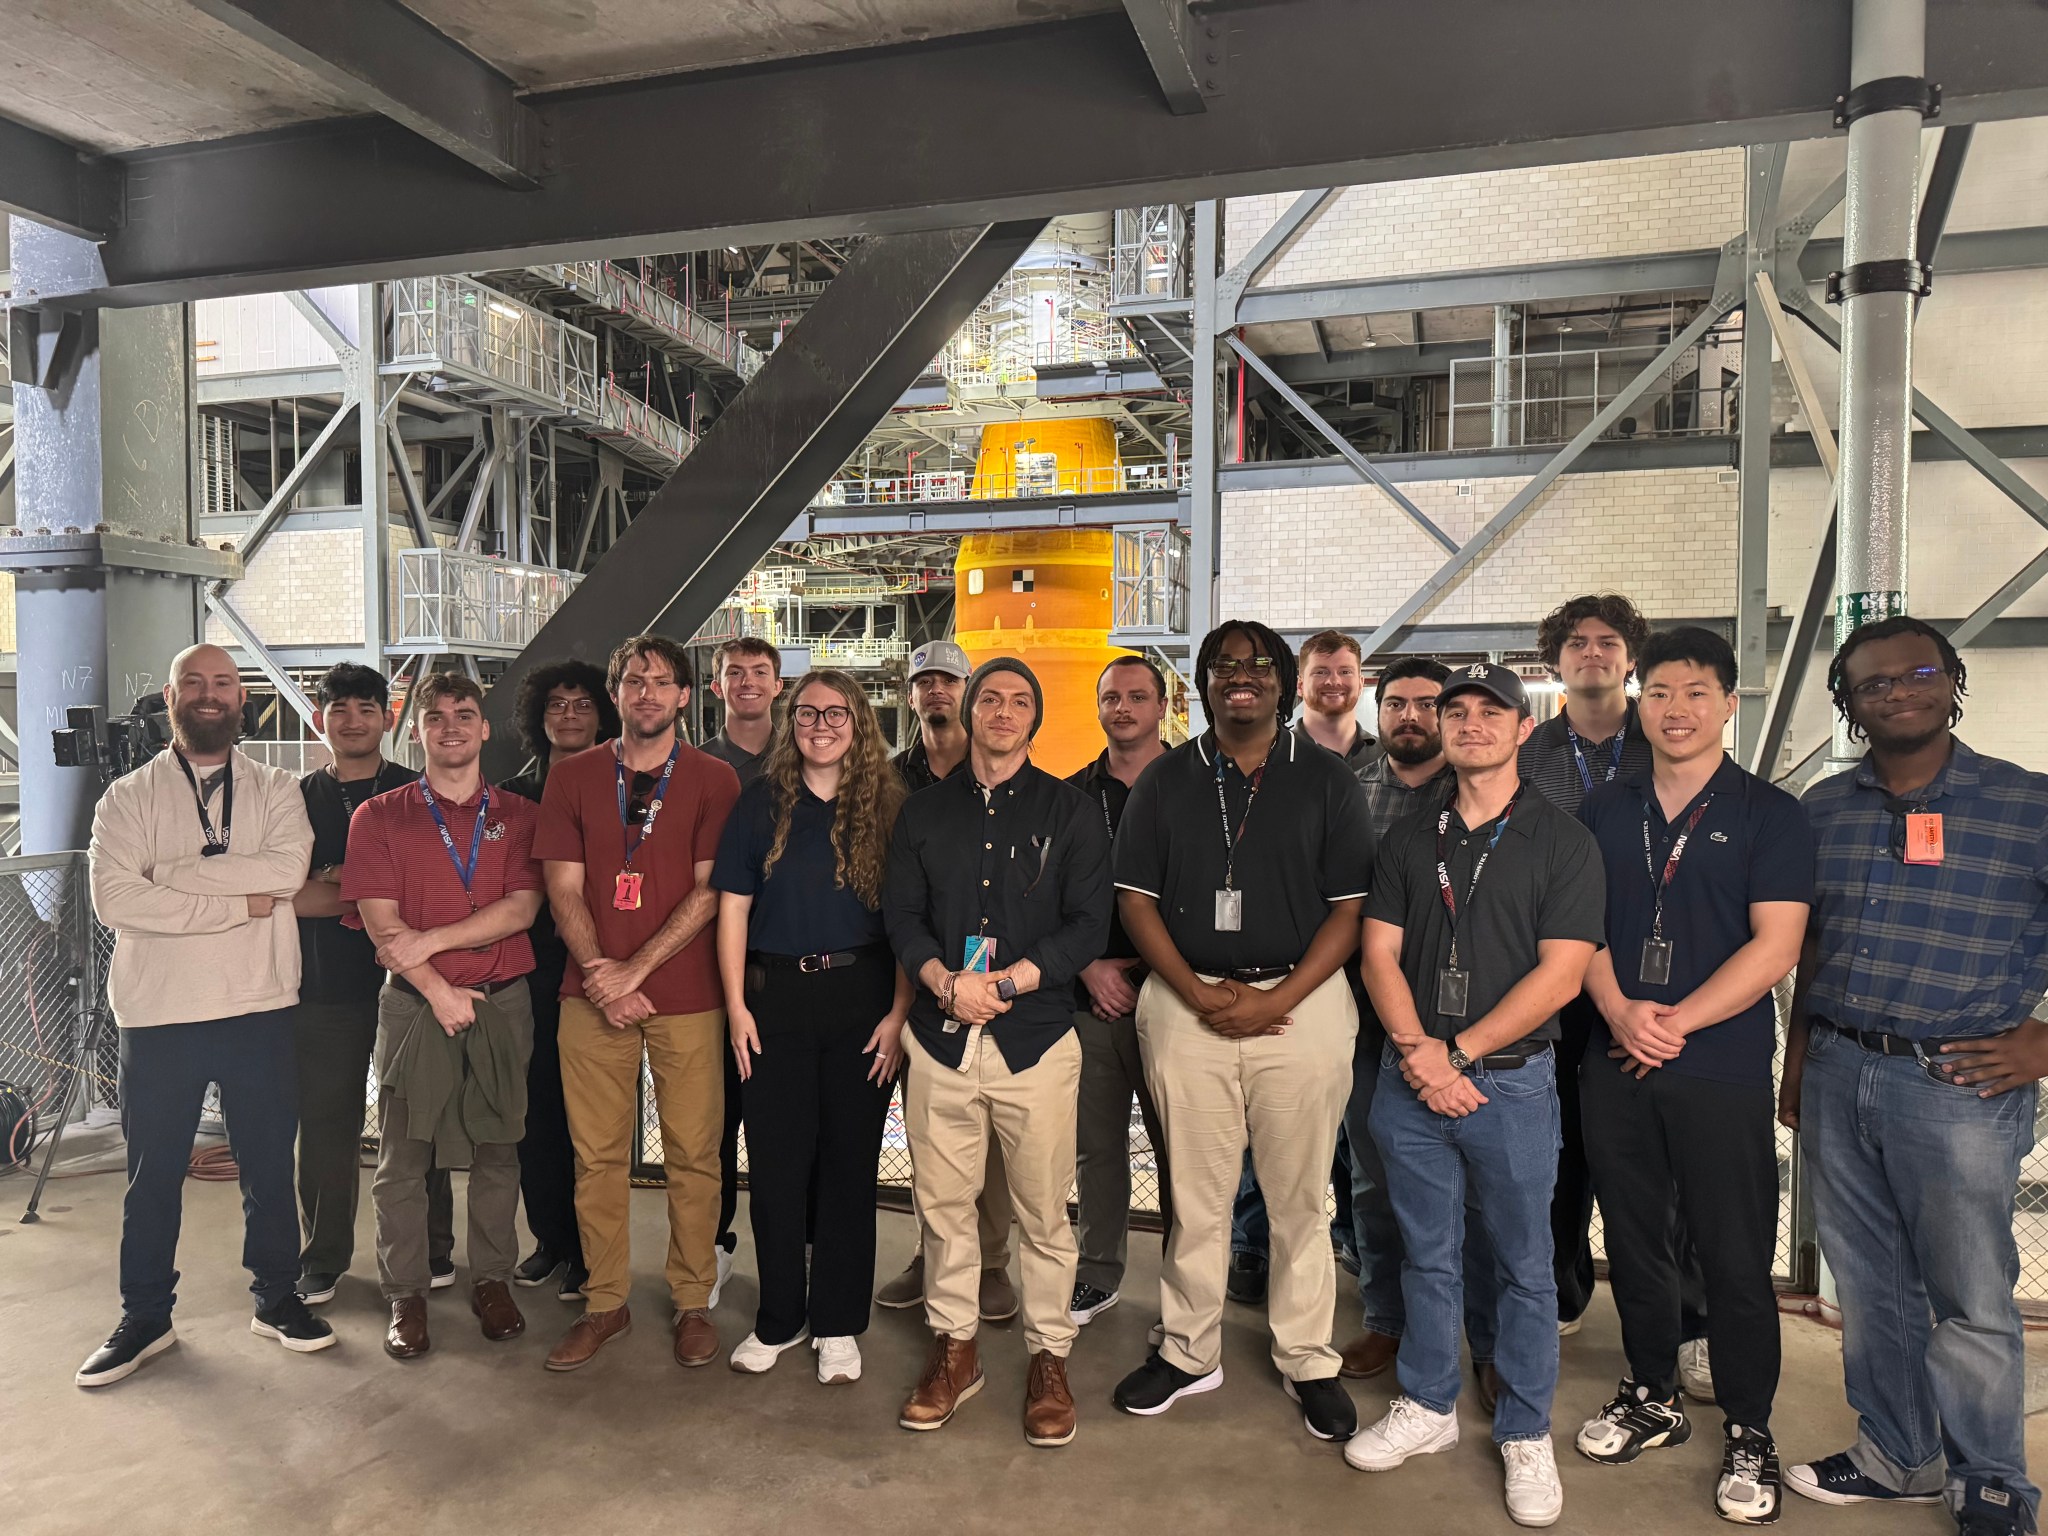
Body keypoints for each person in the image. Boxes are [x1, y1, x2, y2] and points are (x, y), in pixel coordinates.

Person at [1779, 617, 2048, 1536]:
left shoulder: (2026, 804)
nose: (1898, 692)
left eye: (1917, 673)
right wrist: (1798, 1063)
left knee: (1970, 1297)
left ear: (1953, 680)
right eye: (1873, 684)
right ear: (1848, 705)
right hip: (1840, 1065)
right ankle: (1899, 1454)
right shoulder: (1823, 808)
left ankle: (1992, 1480)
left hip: (1958, 1087)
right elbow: (1811, 949)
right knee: (1871, 1285)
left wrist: (2045, 1045)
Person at [1350, 661, 1604, 1531]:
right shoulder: (1410, 838)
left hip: (1513, 1085)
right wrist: (1420, 1057)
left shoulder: (1561, 840)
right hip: (1410, 1079)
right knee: (1426, 1253)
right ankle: (1426, 1404)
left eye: (1488, 712)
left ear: (1521, 728)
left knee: (1524, 1267)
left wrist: (1455, 1052)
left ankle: (1525, 1429)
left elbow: (1564, 973)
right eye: (1453, 712)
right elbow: (1378, 953)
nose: (1468, 724)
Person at [1110, 619, 1372, 1445]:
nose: (1241, 677)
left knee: (1299, 1197)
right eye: (1223, 667)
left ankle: (1305, 1356)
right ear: (1204, 686)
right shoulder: (1167, 780)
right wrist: (1190, 989)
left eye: (1259, 665)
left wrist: (1278, 996)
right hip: (1186, 1007)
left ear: (1283, 683)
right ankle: (1189, 1348)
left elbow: (1350, 911)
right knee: (1197, 1192)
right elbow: (1134, 900)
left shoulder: (1327, 780)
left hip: (1304, 1002)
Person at [1572, 628, 1811, 1525]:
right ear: (1640, 700)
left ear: (1729, 705)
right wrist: (1620, 1012)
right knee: (1632, 1238)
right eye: (1661, 692)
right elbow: (1578, 932)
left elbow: (1776, 943)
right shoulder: (1606, 809)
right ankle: (1651, 1392)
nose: (1677, 709)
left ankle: (1751, 1427)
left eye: (1697, 693)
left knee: (1733, 1249)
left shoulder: (1768, 813)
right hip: (1617, 1054)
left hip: (1717, 1064)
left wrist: (1672, 1022)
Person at [79, 643, 331, 1387]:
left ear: (242, 698)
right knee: (153, 1174)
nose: (210, 694)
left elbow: (287, 871)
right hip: (158, 1014)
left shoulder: (279, 790)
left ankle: (276, 1297)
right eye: (196, 682)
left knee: (265, 1167)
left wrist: (179, 880)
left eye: (224, 682)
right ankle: (145, 1316)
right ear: (171, 695)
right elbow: (116, 901)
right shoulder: (126, 799)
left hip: (258, 1004)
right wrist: (243, 904)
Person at [883, 656, 1111, 1447]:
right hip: (943, 1040)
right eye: (991, 699)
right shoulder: (922, 814)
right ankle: (956, 1348)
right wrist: (944, 981)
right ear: (969, 711)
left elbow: (1087, 924)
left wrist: (1007, 983)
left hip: (1034, 1040)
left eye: (1020, 702)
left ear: (1034, 719)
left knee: (1044, 1211)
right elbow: (901, 915)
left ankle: (1050, 1357)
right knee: (943, 1209)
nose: (1003, 712)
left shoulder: (1073, 812)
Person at [535, 634, 742, 1372]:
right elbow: (562, 886)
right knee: (595, 1158)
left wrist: (634, 971)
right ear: (615, 695)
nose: (647, 693)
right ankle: (605, 1303)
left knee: (695, 1154)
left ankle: (691, 1299)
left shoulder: (715, 780)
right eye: (632, 681)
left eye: (661, 682)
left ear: (685, 697)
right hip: (587, 995)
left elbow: (710, 891)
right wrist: (599, 971)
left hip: (687, 997)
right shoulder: (573, 778)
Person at [713, 670, 911, 1385]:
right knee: (775, 1166)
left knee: (848, 1167)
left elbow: (907, 924)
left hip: (862, 999)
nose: (820, 725)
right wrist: (737, 1006)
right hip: (775, 1003)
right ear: (789, 721)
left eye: (836, 713)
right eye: (806, 714)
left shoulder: (890, 807)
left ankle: (837, 1324)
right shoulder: (760, 804)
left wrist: (897, 1014)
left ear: (858, 723)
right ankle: (779, 1318)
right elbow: (733, 907)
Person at [341, 673, 545, 1360]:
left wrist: (428, 942)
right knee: (404, 1158)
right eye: (436, 717)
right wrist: (436, 987)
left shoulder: (519, 815)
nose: (451, 727)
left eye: (465, 715)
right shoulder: (379, 817)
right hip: (414, 1008)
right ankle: (406, 1293)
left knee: (497, 1151)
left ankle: (491, 1280)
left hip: (502, 1003)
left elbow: (522, 908)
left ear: (486, 729)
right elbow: (380, 922)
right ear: (418, 730)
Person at [1336, 656, 1503, 1405]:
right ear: (1379, 713)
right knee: (1375, 1184)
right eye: (1395, 703)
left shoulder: (1477, 789)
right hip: (1370, 1022)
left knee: (1481, 1196)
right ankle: (1388, 1318)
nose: (1410, 716)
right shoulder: (1347, 791)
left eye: (1426, 705)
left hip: (1470, 1028)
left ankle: (1489, 1340)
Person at [1517, 594, 1660, 1346]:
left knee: (1647, 1153)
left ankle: (1675, 1318)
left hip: (1645, 974)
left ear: (1630, 656)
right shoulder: (1529, 752)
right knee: (1560, 1141)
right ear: (1556, 659)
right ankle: (1562, 1288)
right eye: (1578, 642)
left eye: (1609, 641)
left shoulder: (1664, 740)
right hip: (1550, 976)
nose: (1593, 652)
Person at [290, 663, 454, 1308]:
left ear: (388, 719)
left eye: (366, 707)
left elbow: (431, 894)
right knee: (325, 1128)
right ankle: (323, 1258)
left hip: (413, 988)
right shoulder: (296, 798)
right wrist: (366, 889)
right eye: (339, 709)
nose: (353, 720)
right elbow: (289, 896)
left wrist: (337, 880)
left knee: (419, 1127)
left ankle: (434, 1250)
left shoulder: (419, 795)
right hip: (325, 989)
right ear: (319, 719)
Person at [879, 636, 1018, 1324]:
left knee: (987, 1133)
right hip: (913, 976)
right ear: (910, 695)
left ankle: (991, 1261)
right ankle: (932, 1255)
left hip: (992, 985)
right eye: (924, 681)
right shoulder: (884, 780)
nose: (937, 691)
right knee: (929, 1133)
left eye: (948, 681)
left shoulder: (1000, 770)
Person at [499, 659, 619, 1304]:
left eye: (581, 704)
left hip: (603, 965)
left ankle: (589, 1249)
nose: (568, 716)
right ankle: (550, 1239)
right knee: (535, 1111)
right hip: (532, 966)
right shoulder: (514, 794)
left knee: (593, 1120)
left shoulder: (629, 786)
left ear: (603, 712)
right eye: (556, 706)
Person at [1066, 655, 1173, 1327]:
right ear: (1099, 707)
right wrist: (1089, 969)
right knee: (1097, 1148)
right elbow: (1046, 901)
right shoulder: (1073, 796)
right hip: (1094, 998)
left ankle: (1187, 1288)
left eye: (1138, 697)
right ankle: (1097, 1272)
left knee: (1185, 1153)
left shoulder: (1198, 788)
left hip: (1177, 998)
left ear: (1163, 706)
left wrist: (1161, 975)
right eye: (1112, 698)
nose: (1124, 708)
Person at [697, 635, 785, 1307]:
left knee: (789, 1122)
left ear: (778, 685)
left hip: (789, 966)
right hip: (713, 969)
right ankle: (717, 1244)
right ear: (716, 686)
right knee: (716, 1120)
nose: (748, 682)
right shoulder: (698, 768)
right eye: (736, 673)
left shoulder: (806, 756)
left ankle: (798, 1250)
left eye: (760, 672)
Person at [1295, 629, 1378, 771]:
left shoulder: (1389, 757)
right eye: (1321, 672)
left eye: (1345, 672)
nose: (1333, 681)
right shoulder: (1272, 756)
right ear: (1300, 685)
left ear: (1360, 684)